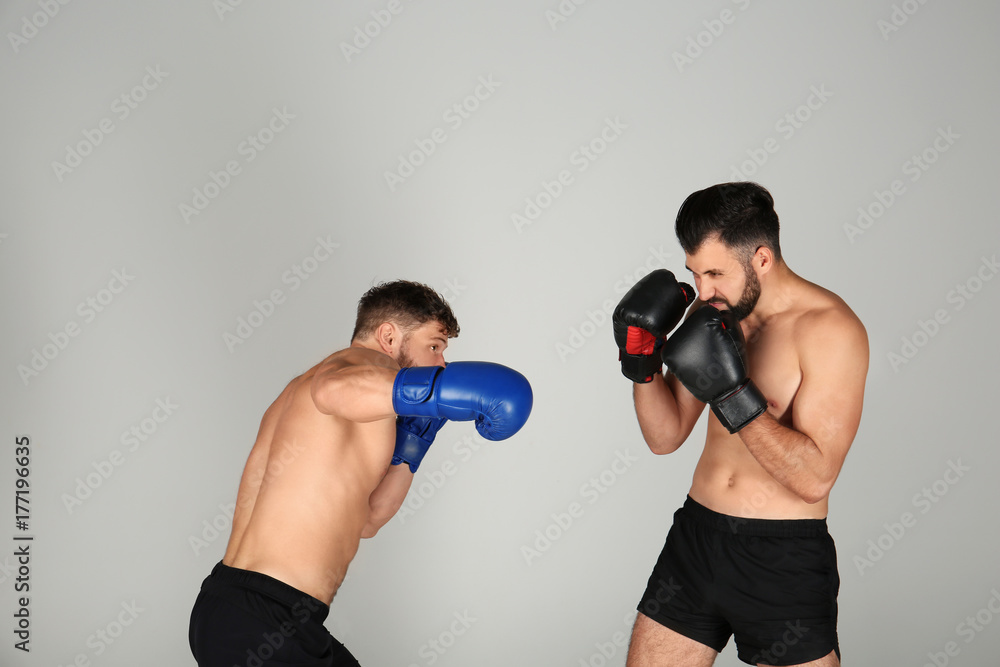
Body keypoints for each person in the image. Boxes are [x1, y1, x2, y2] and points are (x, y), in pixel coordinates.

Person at [189, 280, 533, 666]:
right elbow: (333, 389)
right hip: (262, 618)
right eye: (433, 346)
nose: (441, 364)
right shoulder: (354, 366)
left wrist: (414, 444)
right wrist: (431, 392)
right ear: (388, 336)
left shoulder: (344, 403)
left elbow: (367, 519)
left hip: (251, 610)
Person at [613, 182, 868, 666]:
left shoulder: (830, 330)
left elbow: (814, 478)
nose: (703, 290)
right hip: (695, 540)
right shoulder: (712, 312)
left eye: (715, 273)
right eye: (694, 272)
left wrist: (733, 395)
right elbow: (665, 438)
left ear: (762, 259)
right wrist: (641, 365)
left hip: (781, 559)